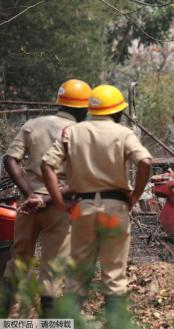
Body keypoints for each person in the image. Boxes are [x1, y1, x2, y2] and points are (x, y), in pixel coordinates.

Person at [40, 85, 152, 323]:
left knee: (78, 272)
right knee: (114, 273)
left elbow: (46, 165)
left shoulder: (73, 131)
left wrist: (60, 202)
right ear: (119, 111)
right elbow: (145, 162)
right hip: (115, 208)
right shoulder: (124, 133)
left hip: (83, 208)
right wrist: (135, 196)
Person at [1, 79, 91, 317]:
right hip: (59, 207)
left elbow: (10, 159)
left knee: (17, 261)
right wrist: (46, 199)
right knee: (52, 271)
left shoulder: (33, 124)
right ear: (83, 108)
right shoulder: (82, 133)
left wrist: (30, 195)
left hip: (26, 207)